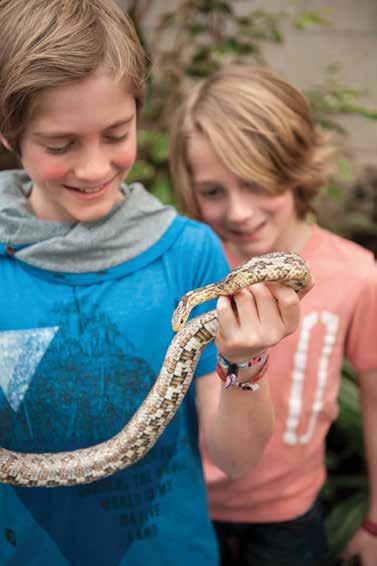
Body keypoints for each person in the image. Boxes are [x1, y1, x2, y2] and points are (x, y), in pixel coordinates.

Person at [0, 3, 306, 566]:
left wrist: (246, 362)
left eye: (117, 134)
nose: (93, 169)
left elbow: (237, 461)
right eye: (60, 145)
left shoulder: (188, 254)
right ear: (9, 131)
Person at [169, 64, 377, 566]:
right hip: (187, 509)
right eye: (213, 191)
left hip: (291, 521)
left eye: (256, 182)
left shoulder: (356, 275)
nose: (239, 212)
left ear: (295, 166)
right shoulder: (188, 267)